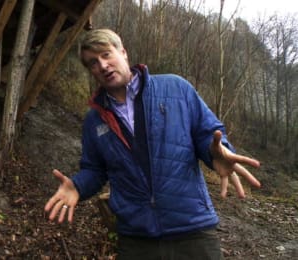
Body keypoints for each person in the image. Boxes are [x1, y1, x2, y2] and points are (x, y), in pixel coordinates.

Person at [44, 28, 261, 259]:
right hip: (137, 239)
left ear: (123, 52)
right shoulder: (93, 120)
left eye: (106, 55)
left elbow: (207, 133)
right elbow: (95, 170)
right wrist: (78, 186)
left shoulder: (176, 88)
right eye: (93, 63)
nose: (103, 66)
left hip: (192, 231)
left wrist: (215, 152)